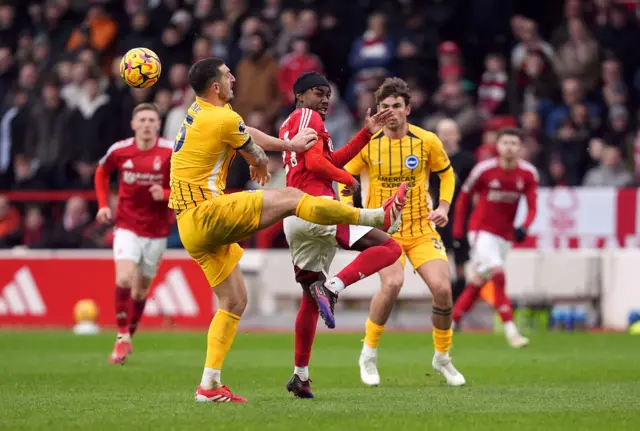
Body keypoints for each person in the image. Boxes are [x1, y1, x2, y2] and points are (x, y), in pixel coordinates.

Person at [169, 58, 407, 403]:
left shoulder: (200, 110)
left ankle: (210, 384)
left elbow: (245, 134)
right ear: (216, 87)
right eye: (226, 74)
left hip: (189, 225)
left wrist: (263, 157)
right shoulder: (242, 116)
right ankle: (375, 218)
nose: (234, 76)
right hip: (207, 211)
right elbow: (254, 147)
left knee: (235, 301)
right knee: (295, 197)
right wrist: (275, 154)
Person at [280, 72, 404, 398]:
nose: (324, 100)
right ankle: (333, 288)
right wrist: (346, 181)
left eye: (328, 96)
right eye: (319, 93)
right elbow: (318, 164)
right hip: (318, 208)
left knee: (308, 300)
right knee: (389, 247)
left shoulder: (293, 123)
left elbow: (329, 159)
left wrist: (365, 133)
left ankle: (301, 376)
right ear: (300, 95)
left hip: (294, 216)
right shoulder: (306, 116)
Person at [340, 77, 466, 387]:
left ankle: (443, 357)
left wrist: (445, 208)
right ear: (377, 110)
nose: (391, 112)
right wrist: (350, 211)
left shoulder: (427, 141)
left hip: (422, 229)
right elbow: (344, 176)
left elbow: (446, 175)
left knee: (443, 289)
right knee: (393, 283)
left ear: (407, 108)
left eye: (397, 106)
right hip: (384, 233)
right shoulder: (368, 143)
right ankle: (368, 353)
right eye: (384, 107)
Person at [94, 103, 173, 365]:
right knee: (125, 278)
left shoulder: (171, 151)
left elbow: (189, 187)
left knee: (140, 293)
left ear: (158, 125)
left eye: (152, 119)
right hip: (127, 225)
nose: (148, 124)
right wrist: (103, 205)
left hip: (158, 230)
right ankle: (120, 337)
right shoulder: (120, 150)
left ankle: (129, 334)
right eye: (143, 120)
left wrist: (165, 195)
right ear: (134, 124)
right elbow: (102, 171)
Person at [452, 127, 538, 348]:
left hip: (504, 237)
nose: (509, 147)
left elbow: (532, 206)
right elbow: (463, 197)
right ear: (497, 146)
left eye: (514, 143)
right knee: (498, 275)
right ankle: (512, 332)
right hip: (481, 231)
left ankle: (451, 323)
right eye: (505, 143)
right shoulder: (484, 170)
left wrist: (525, 227)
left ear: (520, 148)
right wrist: (459, 231)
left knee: (479, 280)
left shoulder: (528, 174)